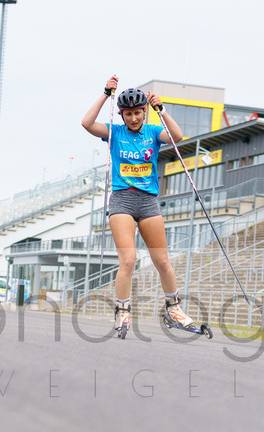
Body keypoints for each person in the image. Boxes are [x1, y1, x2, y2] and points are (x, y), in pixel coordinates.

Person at [81, 75, 196, 335]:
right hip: (122, 199)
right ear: (122, 115)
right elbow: (86, 123)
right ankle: (122, 313)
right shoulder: (115, 132)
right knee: (129, 261)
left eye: (138, 113)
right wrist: (105, 94)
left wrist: (162, 110)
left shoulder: (153, 132)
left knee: (162, 261)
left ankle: (174, 309)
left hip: (148, 202)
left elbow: (177, 136)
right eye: (129, 114)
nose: (133, 118)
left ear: (145, 112)